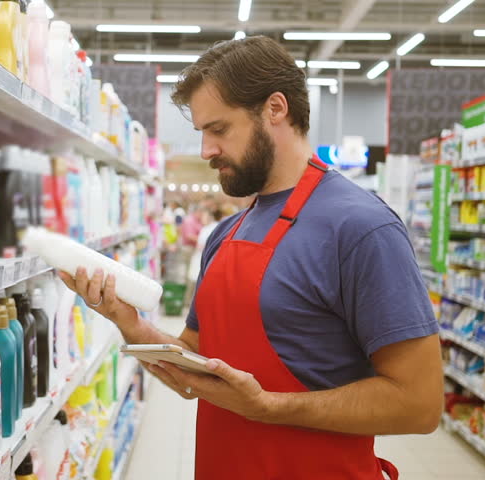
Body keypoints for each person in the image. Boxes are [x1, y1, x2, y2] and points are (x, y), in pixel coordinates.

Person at [59, 36, 441, 479]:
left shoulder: (361, 228)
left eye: (219, 129)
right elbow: (193, 368)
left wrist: (269, 407)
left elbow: (420, 404)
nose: (205, 150)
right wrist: (127, 320)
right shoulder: (228, 232)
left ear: (275, 109)